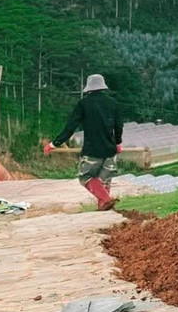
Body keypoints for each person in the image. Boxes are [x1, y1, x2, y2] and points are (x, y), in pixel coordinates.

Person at [44, 74, 125, 210]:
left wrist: (54, 143)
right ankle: (104, 210)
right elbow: (118, 126)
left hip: (92, 151)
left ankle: (106, 200)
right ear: (103, 86)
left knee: (85, 177)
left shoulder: (83, 104)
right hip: (110, 151)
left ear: (89, 88)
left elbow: (70, 127)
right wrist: (118, 143)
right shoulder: (113, 104)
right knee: (103, 182)